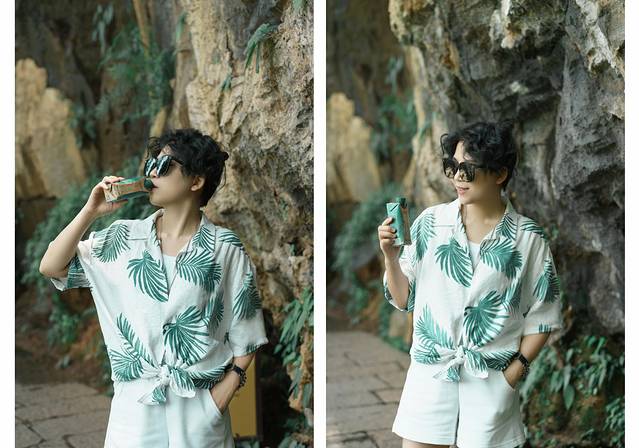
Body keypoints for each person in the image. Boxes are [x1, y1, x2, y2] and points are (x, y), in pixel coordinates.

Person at [39, 128, 269, 447]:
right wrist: (90, 211)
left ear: (196, 181)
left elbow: (248, 334)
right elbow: (52, 266)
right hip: (133, 408)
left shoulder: (224, 248)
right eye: (150, 165)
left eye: (164, 166)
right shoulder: (122, 238)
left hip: (199, 408)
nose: (152, 173)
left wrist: (217, 401)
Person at [378, 120, 563, 448]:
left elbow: (543, 316)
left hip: (491, 381)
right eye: (452, 166)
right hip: (430, 374)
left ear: (500, 174)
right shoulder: (431, 223)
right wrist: (391, 258)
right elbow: (404, 299)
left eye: (469, 169)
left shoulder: (528, 238)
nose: (458, 177)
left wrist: (513, 373)